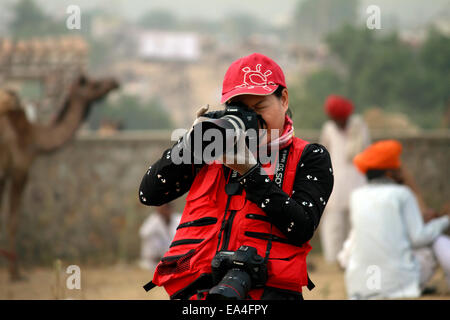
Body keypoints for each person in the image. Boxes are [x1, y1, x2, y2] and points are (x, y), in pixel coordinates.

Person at [139, 53, 334, 300]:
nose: (252, 119)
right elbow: (149, 193)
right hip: (197, 291)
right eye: (242, 111)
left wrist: (251, 173)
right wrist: (190, 143)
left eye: (259, 108)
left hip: (268, 292)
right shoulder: (210, 149)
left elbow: (302, 226)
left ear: (283, 100)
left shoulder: (310, 156)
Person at [340, 140, 450, 299]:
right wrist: (445, 220)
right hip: (399, 286)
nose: (402, 172)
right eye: (398, 169)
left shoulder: (356, 196)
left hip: (361, 286)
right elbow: (418, 238)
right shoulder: (402, 194)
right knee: (434, 241)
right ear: (390, 174)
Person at [318, 95, 371, 264]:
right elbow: (323, 153)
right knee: (333, 223)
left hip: (357, 178)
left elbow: (367, 151)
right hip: (336, 181)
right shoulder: (328, 129)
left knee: (356, 222)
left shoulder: (359, 125)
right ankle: (334, 259)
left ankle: (355, 257)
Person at [138, 202, 181, 271]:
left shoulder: (179, 219)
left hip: (175, 259)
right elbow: (144, 233)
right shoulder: (153, 221)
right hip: (154, 262)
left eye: (166, 208)